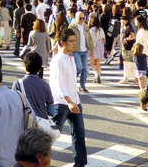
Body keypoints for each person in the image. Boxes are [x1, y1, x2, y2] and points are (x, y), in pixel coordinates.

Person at [50, 28, 86, 167]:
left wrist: (75, 100)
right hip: (62, 103)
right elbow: (57, 84)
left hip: (75, 100)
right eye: (71, 41)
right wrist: (69, 101)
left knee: (79, 135)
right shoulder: (58, 60)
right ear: (62, 43)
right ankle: (39, 161)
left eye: (75, 40)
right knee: (51, 136)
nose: (74, 43)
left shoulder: (72, 57)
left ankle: (80, 164)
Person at [13, 52, 55, 121]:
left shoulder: (18, 84)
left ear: (25, 64)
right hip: (41, 123)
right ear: (39, 67)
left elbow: (14, 105)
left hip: (24, 122)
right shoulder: (45, 85)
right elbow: (51, 110)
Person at [67, 11, 94, 93]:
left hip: (85, 49)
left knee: (85, 69)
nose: (82, 20)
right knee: (78, 67)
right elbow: (67, 37)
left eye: (83, 18)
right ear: (76, 18)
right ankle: (71, 82)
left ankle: (82, 86)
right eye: (80, 18)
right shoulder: (72, 27)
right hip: (76, 50)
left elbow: (89, 38)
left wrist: (91, 50)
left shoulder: (85, 26)